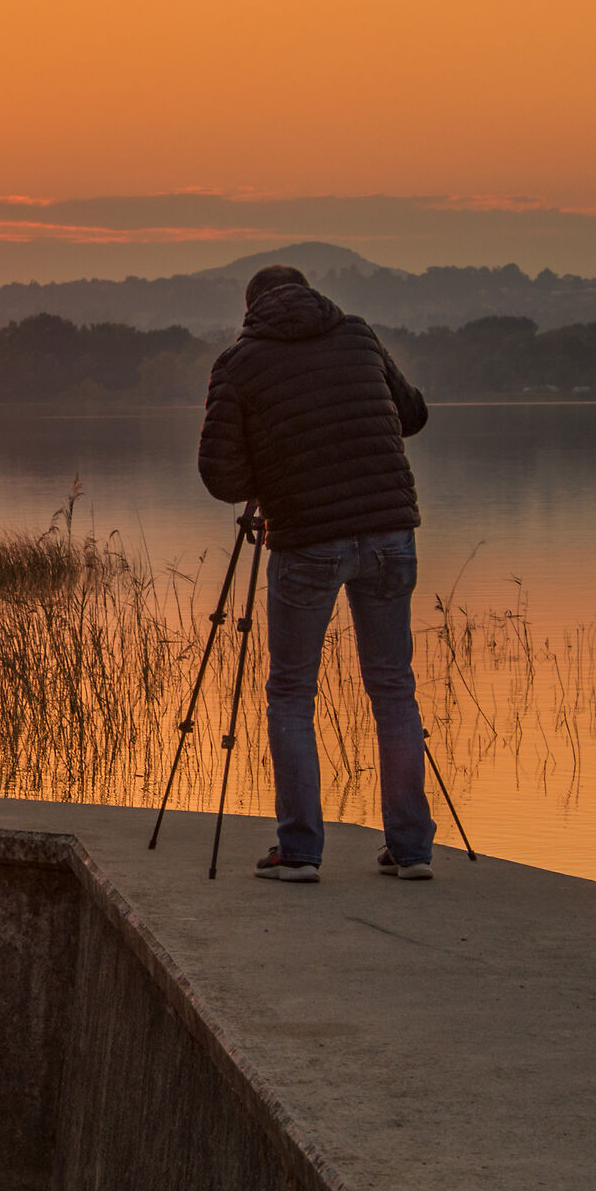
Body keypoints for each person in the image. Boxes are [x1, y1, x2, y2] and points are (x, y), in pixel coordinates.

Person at [196, 264, 437, 883]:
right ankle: (411, 849)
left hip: (306, 541)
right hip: (389, 533)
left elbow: (221, 477)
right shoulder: (357, 335)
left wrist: (274, 470)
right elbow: (412, 414)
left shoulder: (239, 364)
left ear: (252, 307)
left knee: (291, 692)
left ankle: (300, 851)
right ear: (310, 294)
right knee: (393, 687)